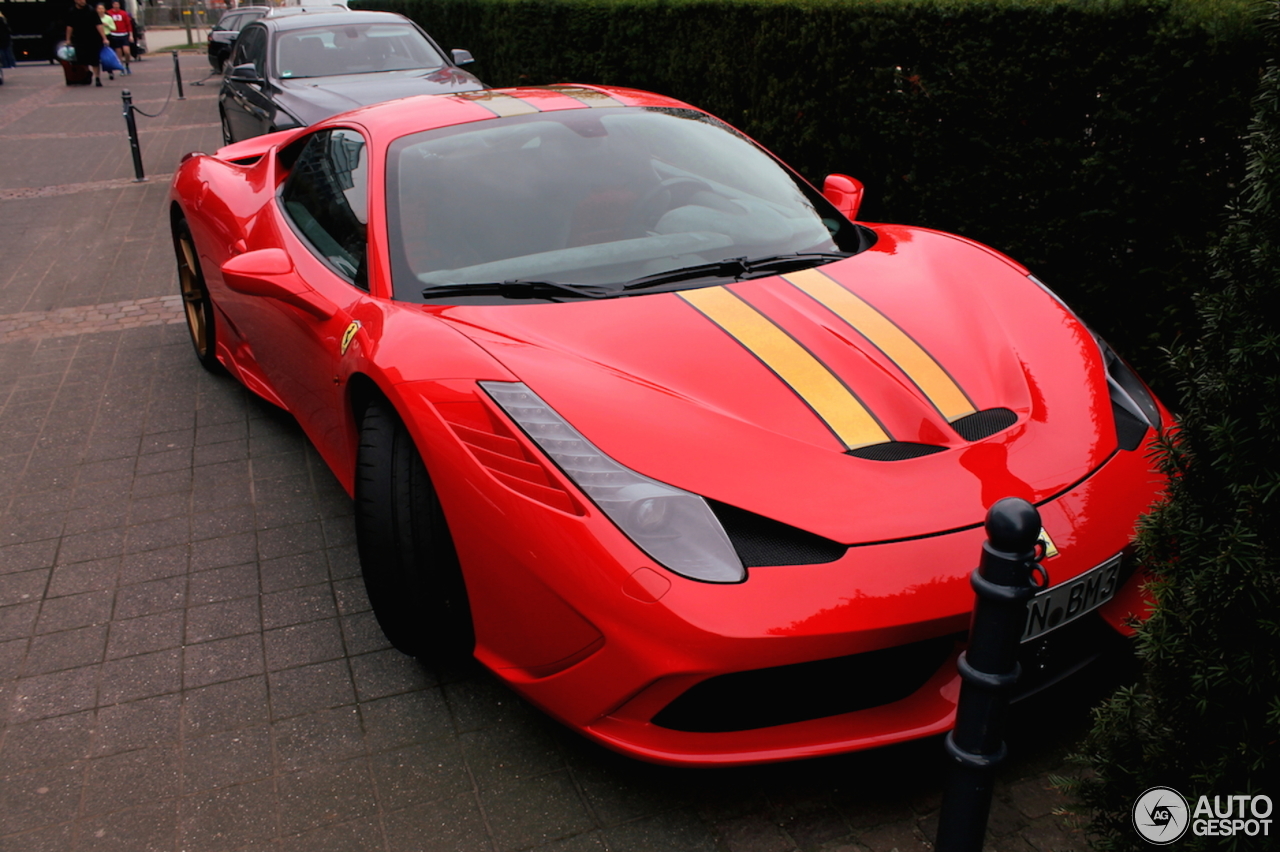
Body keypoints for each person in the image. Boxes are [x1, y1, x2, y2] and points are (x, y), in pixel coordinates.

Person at [65, 0, 108, 86]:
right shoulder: (72, 11)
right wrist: (68, 39)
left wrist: (104, 38)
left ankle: (97, 78)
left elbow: (98, 25)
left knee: (95, 60)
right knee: (82, 60)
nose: (83, 1)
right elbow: (70, 26)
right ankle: (88, 72)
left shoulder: (91, 10)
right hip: (79, 39)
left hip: (93, 38)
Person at [106, 0, 133, 74]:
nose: (116, 5)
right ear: (112, 5)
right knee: (119, 53)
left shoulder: (123, 13)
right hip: (114, 35)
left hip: (124, 34)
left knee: (127, 52)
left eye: (117, 4)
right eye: (115, 4)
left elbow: (128, 25)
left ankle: (127, 65)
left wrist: (130, 35)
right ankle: (121, 68)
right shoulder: (109, 13)